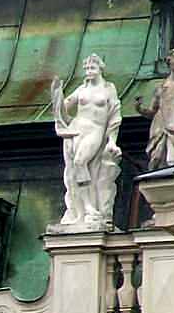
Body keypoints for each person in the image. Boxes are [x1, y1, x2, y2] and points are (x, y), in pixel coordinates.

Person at [51, 54, 122, 230]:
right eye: (87, 69)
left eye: (92, 68)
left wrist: (112, 141)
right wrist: (57, 96)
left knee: (80, 162)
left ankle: (91, 208)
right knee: (75, 168)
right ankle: (83, 209)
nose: (89, 72)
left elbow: (114, 116)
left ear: (100, 69)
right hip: (77, 129)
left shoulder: (108, 89)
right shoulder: (81, 89)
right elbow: (64, 111)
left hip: (95, 130)